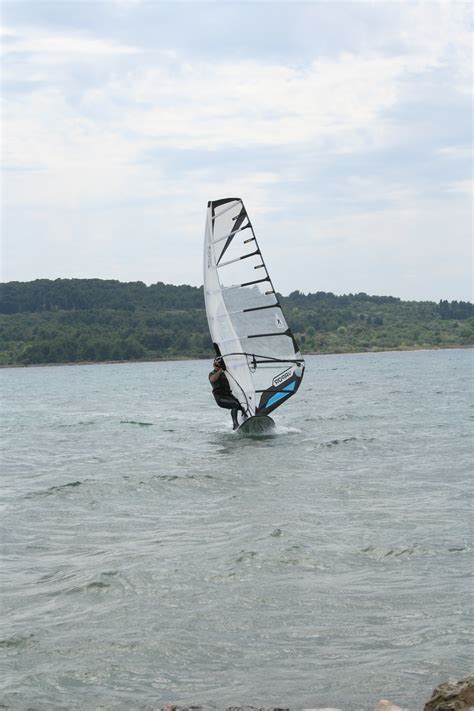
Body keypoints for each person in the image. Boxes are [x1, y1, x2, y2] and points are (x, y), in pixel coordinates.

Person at [209, 357, 247, 429]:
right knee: (234, 405)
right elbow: (213, 380)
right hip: (220, 398)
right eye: (215, 365)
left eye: (218, 365)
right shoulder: (212, 374)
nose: (216, 366)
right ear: (214, 365)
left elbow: (236, 373)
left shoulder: (226, 373)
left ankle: (246, 420)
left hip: (229, 396)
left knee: (243, 406)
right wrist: (220, 369)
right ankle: (235, 425)